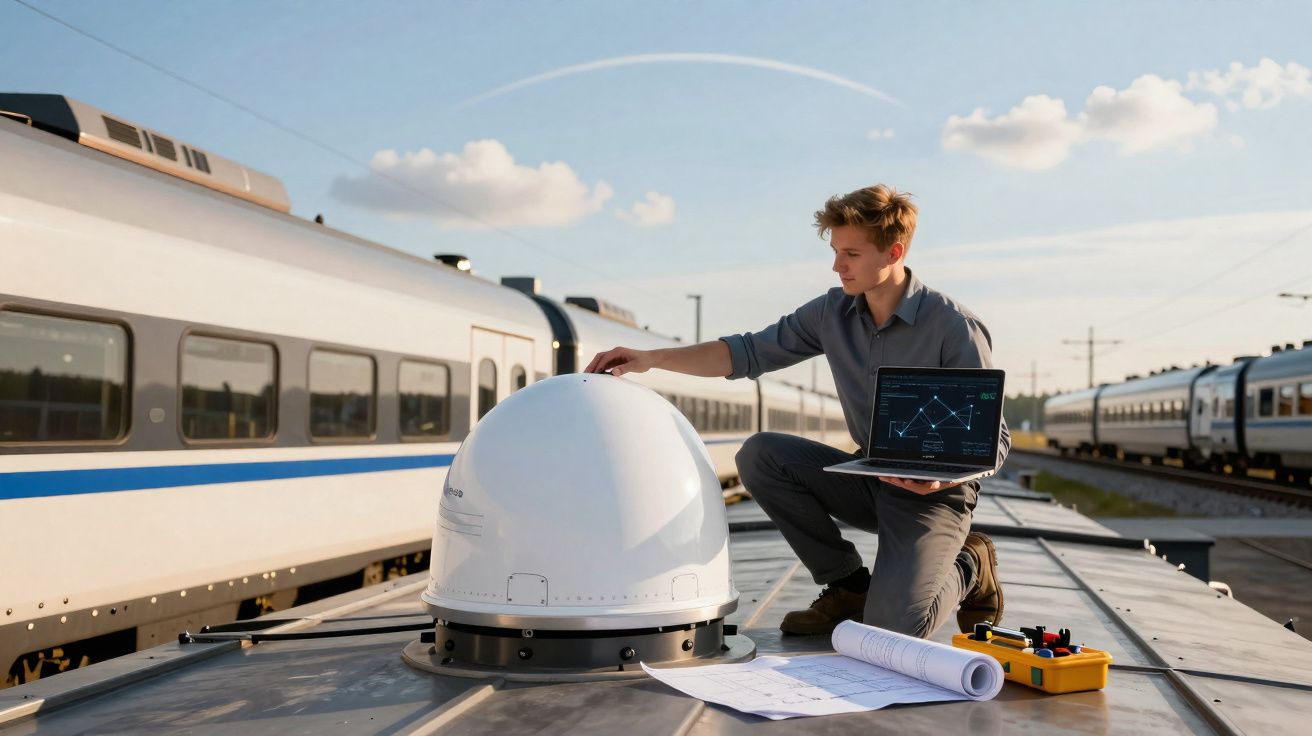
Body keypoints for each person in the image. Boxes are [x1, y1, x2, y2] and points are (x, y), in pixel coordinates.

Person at [585, 184, 1008, 639]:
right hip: (872, 479)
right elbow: (746, 352)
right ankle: (847, 584)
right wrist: (653, 358)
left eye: (851, 253)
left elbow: (996, 442)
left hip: (934, 496)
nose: (837, 265)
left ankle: (970, 563)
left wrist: (944, 478)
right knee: (761, 454)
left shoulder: (952, 327)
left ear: (893, 252)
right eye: (835, 251)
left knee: (894, 630)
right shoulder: (832, 313)